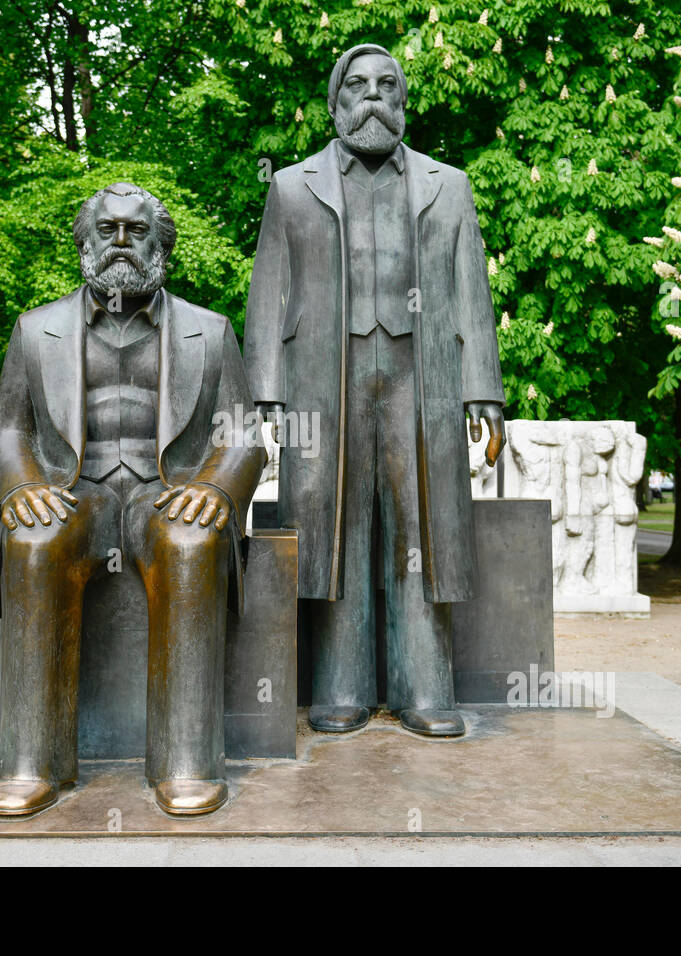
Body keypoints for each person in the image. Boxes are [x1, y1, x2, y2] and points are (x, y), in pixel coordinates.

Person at [244, 45, 506, 739]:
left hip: (426, 376)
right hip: (323, 378)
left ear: (403, 102)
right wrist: (264, 393)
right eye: (356, 86)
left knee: (424, 525)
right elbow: (269, 288)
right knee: (337, 525)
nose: (372, 97)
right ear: (334, 105)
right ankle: (342, 686)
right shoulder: (293, 186)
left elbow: (471, 289)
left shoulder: (448, 184)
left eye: (387, 86)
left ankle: (425, 687)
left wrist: (485, 390)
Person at [0, 182, 265, 819]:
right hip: (70, 491)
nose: (119, 242)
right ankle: (33, 762)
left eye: (136, 232)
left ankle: (186, 761)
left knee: (192, 541)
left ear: (160, 245)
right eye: (105, 229)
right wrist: (21, 486)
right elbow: (7, 432)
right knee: (33, 540)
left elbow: (243, 436)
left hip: (166, 492)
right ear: (83, 241)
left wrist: (216, 487)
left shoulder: (210, 332)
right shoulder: (35, 331)